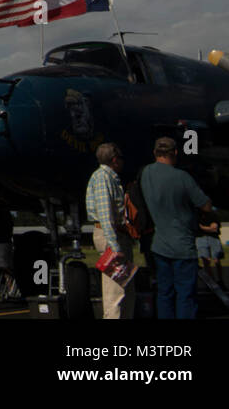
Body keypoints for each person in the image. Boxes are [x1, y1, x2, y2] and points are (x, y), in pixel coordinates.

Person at [141, 137, 213, 319]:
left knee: (165, 293)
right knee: (185, 295)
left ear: (155, 153)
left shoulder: (147, 173)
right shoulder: (182, 177)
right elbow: (205, 205)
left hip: (160, 244)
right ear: (174, 153)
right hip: (182, 244)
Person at [85, 142, 134, 319]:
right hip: (111, 236)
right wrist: (114, 246)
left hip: (117, 234)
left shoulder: (109, 178)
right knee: (115, 293)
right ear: (115, 160)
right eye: (121, 159)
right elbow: (106, 215)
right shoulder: (103, 178)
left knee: (125, 289)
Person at [197, 207, 225, 288]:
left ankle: (220, 280)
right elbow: (199, 226)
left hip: (213, 237)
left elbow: (214, 227)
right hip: (201, 237)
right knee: (206, 260)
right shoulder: (196, 214)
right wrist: (209, 228)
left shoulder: (213, 214)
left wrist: (203, 228)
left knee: (217, 259)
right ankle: (212, 282)